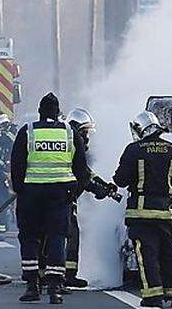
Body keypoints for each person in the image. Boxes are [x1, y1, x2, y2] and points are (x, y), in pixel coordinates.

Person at [10, 93, 91, 304]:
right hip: (60, 198)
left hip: (31, 197)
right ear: (57, 113)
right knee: (57, 239)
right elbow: (82, 171)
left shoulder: (27, 132)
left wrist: (21, 191)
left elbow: (16, 166)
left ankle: (32, 286)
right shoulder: (70, 133)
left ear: (39, 112)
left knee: (29, 239)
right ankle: (55, 288)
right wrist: (73, 193)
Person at [114, 111, 172, 308]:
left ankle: (153, 294)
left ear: (139, 129)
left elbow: (120, 179)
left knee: (147, 253)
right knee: (170, 252)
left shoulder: (134, 150)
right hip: (166, 212)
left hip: (141, 212)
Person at [42, 107, 119, 289]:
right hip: (60, 197)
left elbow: (86, 173)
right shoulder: (72, 145)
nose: (86, 137)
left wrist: (104, 185)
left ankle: (53, 273)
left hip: (56, 196)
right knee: (69, 233)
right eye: (84, 132)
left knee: (58, 234)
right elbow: (81, 176)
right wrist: (97, 189)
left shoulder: (69, 143)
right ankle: (64, 275)